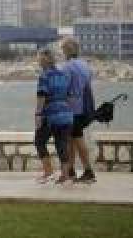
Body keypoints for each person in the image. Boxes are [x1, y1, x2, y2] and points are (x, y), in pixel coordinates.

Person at [33, 48, 74, 184]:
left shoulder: (44, 76)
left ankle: (48, 172)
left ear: (44, 60)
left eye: (39, 58)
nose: (38, 61)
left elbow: (41, 96)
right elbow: (70, 96)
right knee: (62, 144)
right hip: (66, 114)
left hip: (50, 116)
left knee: (39, 141)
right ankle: (65, 176)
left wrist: (38, 114)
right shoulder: (64, 75)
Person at [60, 37, 97, 183]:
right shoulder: (85, 65)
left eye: (63, 49)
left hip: (70, 108)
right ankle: (71, 171)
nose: (62, 52)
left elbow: (64, 88)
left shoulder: (67, 67)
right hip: (82, 107)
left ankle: (88, 171)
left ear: (67, 50)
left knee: (75, 139)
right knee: (72, 140)